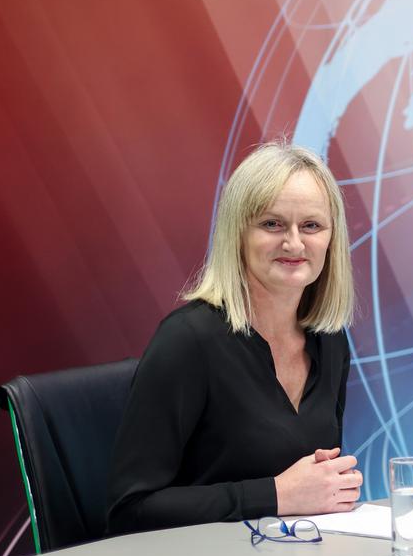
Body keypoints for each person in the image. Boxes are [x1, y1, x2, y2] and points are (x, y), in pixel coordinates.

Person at [106, 141, 363, 534]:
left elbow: (310, 493)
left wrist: (330, 489)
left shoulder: (329, 341)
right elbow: (129, 511)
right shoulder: (188, 341)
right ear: (237, 234)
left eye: (311, 225)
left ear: (332, 238)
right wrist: (275, 495)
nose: (294, 243)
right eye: (272, 224)